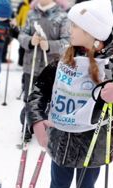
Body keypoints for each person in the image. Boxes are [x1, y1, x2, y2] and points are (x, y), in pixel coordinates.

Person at [27, 0, 113, 188]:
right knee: (58, 186)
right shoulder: (63, 60)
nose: (70, 29)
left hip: (94, 144)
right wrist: (37, 121)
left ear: (94, 34)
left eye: (76, 26)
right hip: (61, 141)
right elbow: (38, 92)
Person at [18, 0, 69, 141]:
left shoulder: (62, 16)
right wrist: (29, 41)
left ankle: (47, 126)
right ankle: (27, 125)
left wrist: (50, 45)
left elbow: (68, 42)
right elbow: (21, 35)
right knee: (30, 99)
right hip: (32, 65)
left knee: (48, 100)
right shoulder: (31, 13)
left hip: (51, 67)